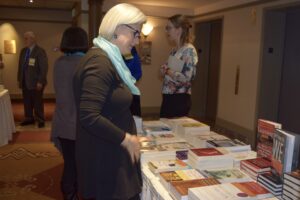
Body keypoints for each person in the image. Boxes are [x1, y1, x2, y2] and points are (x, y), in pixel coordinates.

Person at [73, 3, 147, 200]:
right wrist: (127, 139)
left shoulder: (109, 59)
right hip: (105, 158)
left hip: (109, 153)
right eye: (136, 33)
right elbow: (88, 116)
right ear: (118, 28)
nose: (137, 41)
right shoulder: (100, 62)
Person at [51, 26, 88, 200]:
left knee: (69, 163)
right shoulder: (86, 63)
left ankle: (69, 194)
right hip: (81, 124)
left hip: (63, 122)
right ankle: (75, 192)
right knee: (82, 164)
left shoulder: (59, 63)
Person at [160, 14, 198, 118]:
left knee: (175, 132)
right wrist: (164, 70)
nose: (167, 31)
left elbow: (188, 78)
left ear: (179, 30)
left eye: (169, 28)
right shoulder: (174, 50)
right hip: (168, 97)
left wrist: (168, 71)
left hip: (179, 99)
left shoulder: (189, 50)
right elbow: (168, 69)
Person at [17, 31, 48, 128]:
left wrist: (40, 81)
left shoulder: (40, 51)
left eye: (26, 38)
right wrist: (19, 79)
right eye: (24, 38)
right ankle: (29, 118)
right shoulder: (23, 51)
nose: (25, 40)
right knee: (27, 101)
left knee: (37, 101)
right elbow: (20, 66)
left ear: (33, 39)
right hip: (25, 81)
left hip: (36, 82)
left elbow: (44, 67)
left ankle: (40, 119)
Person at [124, 46, 142, 116]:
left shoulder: (132, 53)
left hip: (130, 91)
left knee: (134, 117)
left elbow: (138, 73)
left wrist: (129, 81)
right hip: (120, 92)